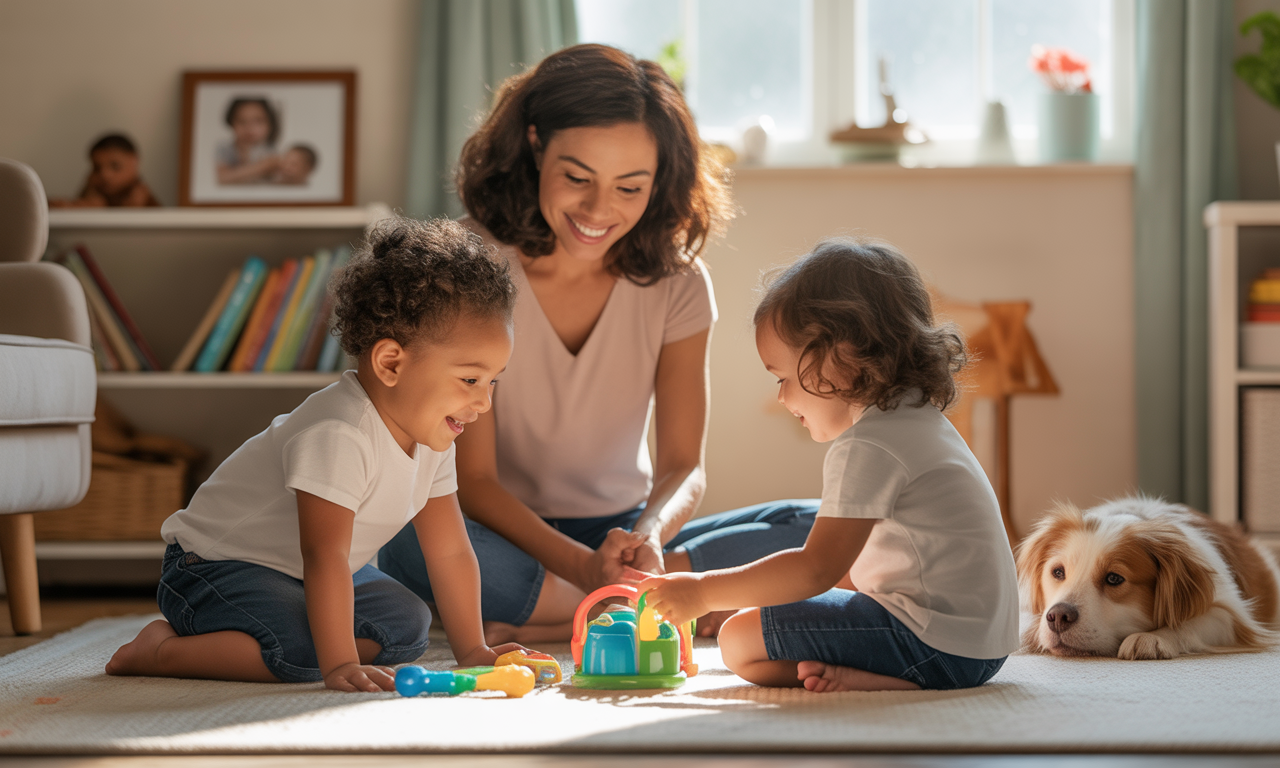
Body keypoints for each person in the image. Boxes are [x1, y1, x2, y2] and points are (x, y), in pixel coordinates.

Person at [379, 43, 819, 643]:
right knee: (410, 540)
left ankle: (572, 610)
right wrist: (583, 565)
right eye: (577, 178)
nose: (598, 210)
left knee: (815, 526)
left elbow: (682, 465)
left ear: (659, 179)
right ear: (536, 145)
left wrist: (647, 540)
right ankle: (651, 604)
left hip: (626, 531)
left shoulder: (680, 282)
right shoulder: (469, 263)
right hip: (506, 535)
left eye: (629, 189)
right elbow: (475, 483)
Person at [106, 217, 526, 691]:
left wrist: (473, 650)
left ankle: (301, 644)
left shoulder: (432, 435)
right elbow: (324, 554)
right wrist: (340, 663)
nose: (484, 402)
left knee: (408, 624)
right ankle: (160, 651)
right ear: (391, 363)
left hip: (303, 577)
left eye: (493, 380)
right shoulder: (340, 432)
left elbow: (449, 550)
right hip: (212, 568)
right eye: (470, 380)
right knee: (298, 647)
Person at [639, 238, 1020, 692]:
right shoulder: (917, 421)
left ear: (842, 354)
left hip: (934, 644)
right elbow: (844, 571)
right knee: (758, 622)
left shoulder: (869, 444)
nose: (781, 397)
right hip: (981, 648)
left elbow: (814, 568)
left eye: (782, 377)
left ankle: (890, 681)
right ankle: (865, 675)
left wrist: (702, 591)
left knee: (737, 641)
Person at [49, 133, 161, 207]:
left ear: (135, 161)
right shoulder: (93, 189)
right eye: (97, 168)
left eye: (115, 166)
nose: (105, 175)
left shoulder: (142, 197)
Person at [216, 97, 279, 185]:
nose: (249, 128)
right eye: (242, 121)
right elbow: (222, 178)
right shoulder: (225, 148)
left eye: (258, 121)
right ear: (231, 123)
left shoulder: (272, 149)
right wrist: (264, 166)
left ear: (270, 124)